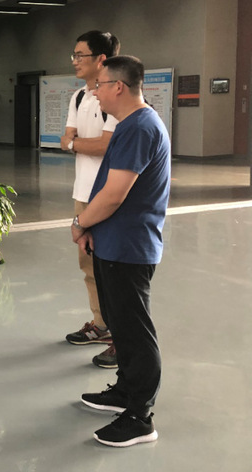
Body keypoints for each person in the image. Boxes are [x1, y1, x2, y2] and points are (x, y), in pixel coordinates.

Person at [71, 55, 170, 447]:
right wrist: (92, 229)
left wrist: (80, 222)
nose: (95, 92)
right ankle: (126, 391)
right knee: (119, 323)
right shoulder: (130, 125)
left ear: (119, 87)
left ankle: (140, 417)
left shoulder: (140, 127)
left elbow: (114, 195)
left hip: (130, 246)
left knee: (134, 331)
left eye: (100, 85)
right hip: (114, 243)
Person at [60, 30, 121, 369]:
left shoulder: (113, 97)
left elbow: (105, 146)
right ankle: (101, 325)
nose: (74, 61)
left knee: (112, 269)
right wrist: (80, 143)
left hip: (108, 196)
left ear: (101, 59)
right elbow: (66, 139)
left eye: (80, 55)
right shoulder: (79, 97)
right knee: (89, 267)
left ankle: (120, 339)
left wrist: (75, 143)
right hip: (82, 194)